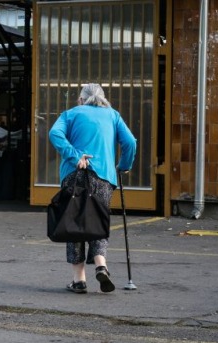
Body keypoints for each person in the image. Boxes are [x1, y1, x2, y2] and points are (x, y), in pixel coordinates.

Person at [49, 83, 136, 294]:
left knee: (74, 223)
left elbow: (54, 134)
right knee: (98, 219)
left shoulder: (70, 114)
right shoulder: (112, 115)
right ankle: (101, 265)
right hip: (104, 176)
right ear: (103, 99)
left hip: (74, 174)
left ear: (81, 99)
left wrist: (75, 154)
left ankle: (79, 280)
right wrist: (123, 166)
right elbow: (130, 142)